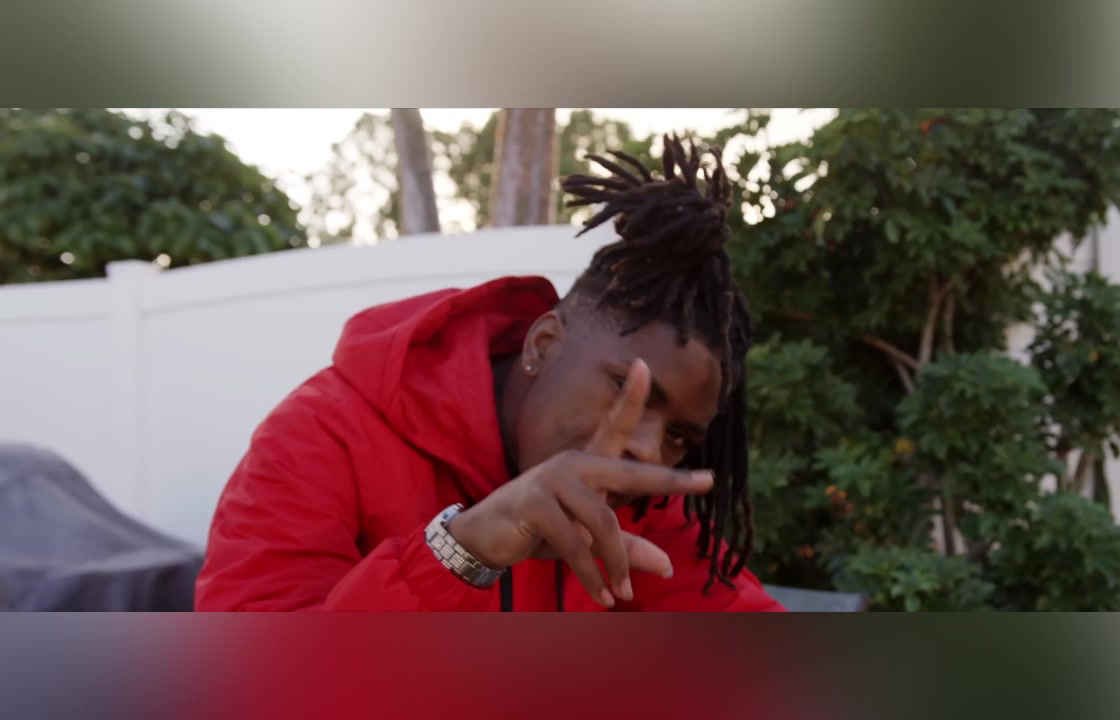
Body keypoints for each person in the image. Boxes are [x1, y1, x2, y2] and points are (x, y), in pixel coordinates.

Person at [195, 135, 784, 612]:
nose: (648, 450)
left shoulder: (634, 496)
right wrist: (462, 552)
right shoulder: (320, 436)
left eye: (678, 435)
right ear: (543, 344)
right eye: (624, 391)